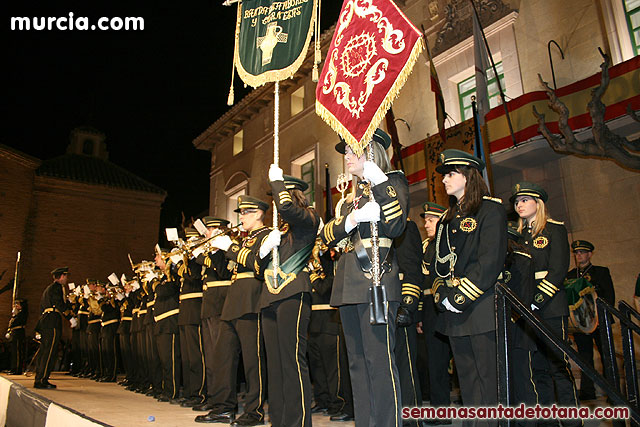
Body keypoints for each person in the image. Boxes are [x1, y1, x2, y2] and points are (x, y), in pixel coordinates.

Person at [320, 129, 408, 427]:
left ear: (371, 152)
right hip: (349, 285)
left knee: (379, 361)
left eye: (352, 150)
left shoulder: (392, 182)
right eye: (345, 151)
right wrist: (353, 219)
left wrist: (379, 181)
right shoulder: (348, 199)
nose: (346, 156)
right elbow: (327, 236)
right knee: (356, 363)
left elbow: (396, 227)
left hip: (376, 279)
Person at [429, 149, 507, 427]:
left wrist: (459, 297)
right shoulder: (447, 219)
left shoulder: (491, 209)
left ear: (467, 175)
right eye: (444, 175)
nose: (444, 181)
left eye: (450, 174)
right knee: (466, 378)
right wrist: (443, 297)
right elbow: (437, 265)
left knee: (488, 380)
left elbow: (490, 261)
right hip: (453, 311)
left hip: (480, 305)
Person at [196, 196, 270, 426]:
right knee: (223, 358)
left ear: (258, 213)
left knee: (252, 361)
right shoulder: (244, 240)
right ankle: (223, 407)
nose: (242, 217)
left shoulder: (267, 235)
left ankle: (254, 411)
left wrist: (231, 247)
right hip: (233, 301)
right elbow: (223, 270)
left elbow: (258, 264)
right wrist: (217, 249)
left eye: (246, 213)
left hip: (251, 300)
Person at [511, 181, 580, 426]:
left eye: (524, 200)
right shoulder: (518, 236)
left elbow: (559, 269)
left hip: (548, 306)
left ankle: (572, 421)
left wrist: (537, 301)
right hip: (525, 309)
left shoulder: (554, 229)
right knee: (537, 367)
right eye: (517, 201)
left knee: (558, 366)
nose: (519, 205)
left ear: (538, 203)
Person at [259, 171, 320, 427]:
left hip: (294, 293)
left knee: (293, 361)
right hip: (269, 297)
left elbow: (287, 208)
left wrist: (276, 182)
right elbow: (256, 267)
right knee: (275, 365)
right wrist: (263, 250)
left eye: (275, 196)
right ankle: (280, 421)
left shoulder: (308, 218)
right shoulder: (278, 230)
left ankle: (298, 422)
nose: (274, 203)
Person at [193, 217, 234, 412]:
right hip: (209, 306)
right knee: (210, 356)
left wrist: (203, 256)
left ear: (219, 231)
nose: (206, 234)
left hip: (220, 305)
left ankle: (222, 400)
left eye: (210, 230)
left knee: (220, 357)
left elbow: (223, 272)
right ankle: (213, 397)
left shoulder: (227, 250)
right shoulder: (213, 252)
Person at [567, 240, 615, 401]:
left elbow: (609, 296)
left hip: (600, 321)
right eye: (576, 253)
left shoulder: (601, 272)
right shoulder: (570, 275)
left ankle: (613, 392)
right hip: (581, 323)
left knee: (606, 356)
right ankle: (588, 392)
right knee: (585, 357)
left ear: (589, 254)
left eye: (582, 252)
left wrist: (601, 317)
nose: (578, 255)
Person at [419, 202, 452, 424]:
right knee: (435, 360)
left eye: (430, 220)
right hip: (431, 307)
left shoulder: (448, 242)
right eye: (425, 220)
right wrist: (421, 315)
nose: (426, 224)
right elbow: (423, 283)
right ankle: (441, 411)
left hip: (450, 305)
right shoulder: (425, 246)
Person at [393, 218, 425, 427]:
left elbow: (412, 268)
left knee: (405, 367)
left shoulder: (404, 225)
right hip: (379, 303)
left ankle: (411, 420)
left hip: (398, 302)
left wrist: (408, 304)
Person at [176, 227, 207, 408]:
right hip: (185, 311)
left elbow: (194, 276)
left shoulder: (198, 259)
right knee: (187, 356)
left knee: (196, 355)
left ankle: (199, 392)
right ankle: (189, 391)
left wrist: (191, 257)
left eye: (192, 241)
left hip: (195, 308)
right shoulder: (188, 260)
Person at [34, 267, 75, 389]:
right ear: (61, 276)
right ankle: (42, 379)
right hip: (52, 321)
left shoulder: (49, 289)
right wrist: (70, 317)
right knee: (50, 351)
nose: (66, 279)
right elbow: (59, 303)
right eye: (66, 277)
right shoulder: (57, 288)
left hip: (46, 320)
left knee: (45, 351)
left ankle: (40, 378)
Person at [6, 298, 27, 375]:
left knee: (18, 352)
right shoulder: (16, 314)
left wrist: (15, 314)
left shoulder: (22, 313)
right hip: (14, 333)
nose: (16, 306)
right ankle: (13, 368)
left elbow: (17, 322)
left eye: (17, 305)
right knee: (14, 352)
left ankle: (17, 369)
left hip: (19, 333)